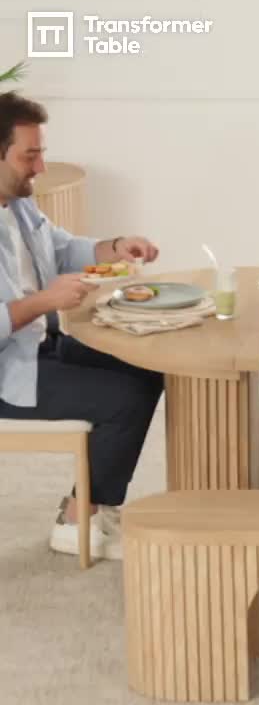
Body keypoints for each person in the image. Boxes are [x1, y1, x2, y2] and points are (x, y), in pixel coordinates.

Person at [0, 92, 162, 561]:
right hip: (9, 372)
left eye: (41, 151)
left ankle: (95, 506)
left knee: (144, 367)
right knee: (123, 398)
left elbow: (63, 248)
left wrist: (117, 245)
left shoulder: (19, 206)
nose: (40, 166)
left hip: (39, 345)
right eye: (29, 155)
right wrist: (44, 301)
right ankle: (75, 524)